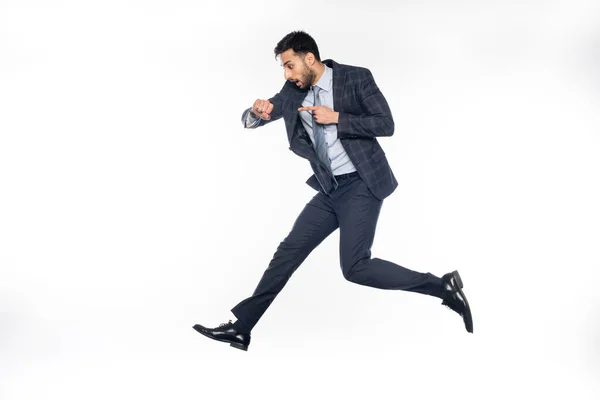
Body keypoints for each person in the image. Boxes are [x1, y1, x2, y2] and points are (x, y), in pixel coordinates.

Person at [193, 31, 473, 351]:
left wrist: (337, 117)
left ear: (309, 59)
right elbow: (262, 114)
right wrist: (255, 114)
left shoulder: (355, 78)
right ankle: (242, 329)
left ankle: (442, 287)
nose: (287, 74)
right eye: (284, 69)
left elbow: (385, 124)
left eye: (289, 65)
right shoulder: (293, 90)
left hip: (361, 184)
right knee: (288, 252)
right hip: (329, 189)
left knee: (354, 268)